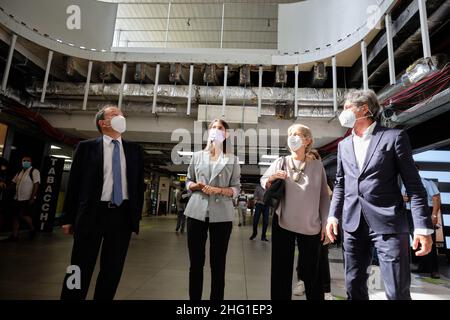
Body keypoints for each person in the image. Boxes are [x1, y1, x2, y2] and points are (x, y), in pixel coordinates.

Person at [326, 89, 433, 300]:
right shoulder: (344, 145)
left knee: (396, 290)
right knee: (354, 286)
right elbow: (340, 184)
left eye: (347, 108)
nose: (343, 113)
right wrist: (332, 215)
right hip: (352, 224)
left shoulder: (393, 137)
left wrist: (422, 227)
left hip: (388, 224)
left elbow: (414, 185)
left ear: (364, 109)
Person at [60, 105, 144, 300]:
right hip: (92, 213)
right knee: (79, 266)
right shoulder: (86, 147)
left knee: (112, 269)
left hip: (121, 216)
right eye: (115, 114)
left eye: (122, 114)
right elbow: (74, 184)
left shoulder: (134, 150)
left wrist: (135, 217)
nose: (121, 116)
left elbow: (138, 187)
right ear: (103, 123)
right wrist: (68, 217)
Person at [261, 124, 330, 300]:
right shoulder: (281, 162)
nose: (292, 137)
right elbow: (264, 181)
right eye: (290, 134)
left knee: (311, 273)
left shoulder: (317, 167)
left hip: (311, 226)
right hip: (284, 222)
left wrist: (325, 222)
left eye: (297, 134)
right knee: (280, 271)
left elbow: (324, 196)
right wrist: (272, 178)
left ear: (307, 140)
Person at [184, 118, 241, 300]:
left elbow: (236, 188)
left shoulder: (232, 159)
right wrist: (195, 186)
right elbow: (188, 180)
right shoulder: (197, 156)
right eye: (213, 127)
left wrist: (219, 190)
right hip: (196, 212)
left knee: (218, 264)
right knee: (196, 263)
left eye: (220, 128)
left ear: (226, 134)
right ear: (208, 133)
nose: (216, 130)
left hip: (222, 216)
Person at [402, 168, 441, 279]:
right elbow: (402, 197)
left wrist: (434, 214)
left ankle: (434, 270)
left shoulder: (427, 182)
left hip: (425, 210)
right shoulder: (404, 184)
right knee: (416, 239)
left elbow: (436, 198)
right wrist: (404, 198)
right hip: (409, 212)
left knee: (429, 240)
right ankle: (423, 266)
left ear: (417, 171)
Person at [3, 156, 40, 241]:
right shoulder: (20, 172)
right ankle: (15, 235)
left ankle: (32, 229)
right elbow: (13, 182)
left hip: (26, 198)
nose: (25, 162)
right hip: (17, 198)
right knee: (15, 216)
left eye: (27, 161)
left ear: (31, 162)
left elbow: (36, 184)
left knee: (23, 215)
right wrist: (6, 187)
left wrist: (32, 198)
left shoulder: (34, 171)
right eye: (24, 160)